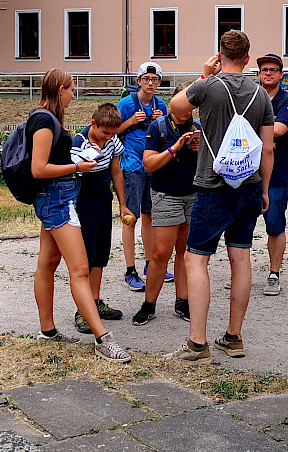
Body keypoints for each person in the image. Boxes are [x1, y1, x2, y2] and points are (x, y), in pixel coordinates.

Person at [164, 31, 275, 363]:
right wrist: (265, 190)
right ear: (248, 57)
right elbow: (267, 148)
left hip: (213, 186)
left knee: (196, 259)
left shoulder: (207, 86)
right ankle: (233, 337)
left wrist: (204, 74)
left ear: (219, 53)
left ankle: (198, 343)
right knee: (240, 258)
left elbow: (176, 108)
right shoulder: (261, 95)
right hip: (249, 185)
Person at [28, 69, 131, 363]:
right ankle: (103, 339)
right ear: (60, 89)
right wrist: (77, 168)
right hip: (57, 201)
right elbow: (39, 169)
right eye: (72, 89)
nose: (74, 94)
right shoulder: (45, 120)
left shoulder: (48, 119)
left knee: (47, 264)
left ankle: (47, 330)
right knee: (80, 270)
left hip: (56, 198)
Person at [134, 84, 201, 325]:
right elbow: (149, 165)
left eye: (191, 108)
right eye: (182, 106)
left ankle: (182, 302)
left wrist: (200, 148)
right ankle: (148, 304)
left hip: (193, 195)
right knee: (161, 253)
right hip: (166, 194)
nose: (186, 113)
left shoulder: (199, 128)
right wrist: (175, 148)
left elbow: (214, 163)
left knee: (186, 253)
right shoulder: (158, 127)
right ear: (173, 102)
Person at [70, 103, 133, 334]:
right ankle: (82, 310)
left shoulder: (113, 141)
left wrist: (122, 204)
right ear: (94, 124)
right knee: (84, 258)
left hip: (103, 201)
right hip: (83, 203)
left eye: (113, 134)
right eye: (105, 133)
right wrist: (84, 164)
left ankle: (94, 303)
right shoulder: (79, 143)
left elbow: (116, 171)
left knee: (99, 255)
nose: (108, 138)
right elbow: (72, 173)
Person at [116, 63, 169, 291]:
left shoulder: (161, 105)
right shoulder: (127, 104)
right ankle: (130, 270)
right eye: (146, 78)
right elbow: (110, 131)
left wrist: (161, 123)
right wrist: (130, 122)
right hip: (131, 166)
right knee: (131, 217)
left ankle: (150, 264)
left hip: (152, 166)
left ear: (158, 82)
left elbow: (168, 134)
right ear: (139, 81)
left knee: (149, 216)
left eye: (154, 79)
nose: (150, 83)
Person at [255, 53, 288, 296]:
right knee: (242, 224)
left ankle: (274, 273)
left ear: (281, 74)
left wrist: (254, 129)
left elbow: (280, 129)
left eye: (273, 69)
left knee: (274, 224)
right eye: (264, 70)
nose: (268, 73)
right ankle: (241, 272)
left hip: (278, 174)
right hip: (248, 173)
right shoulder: (251, 97)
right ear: (259, 74)